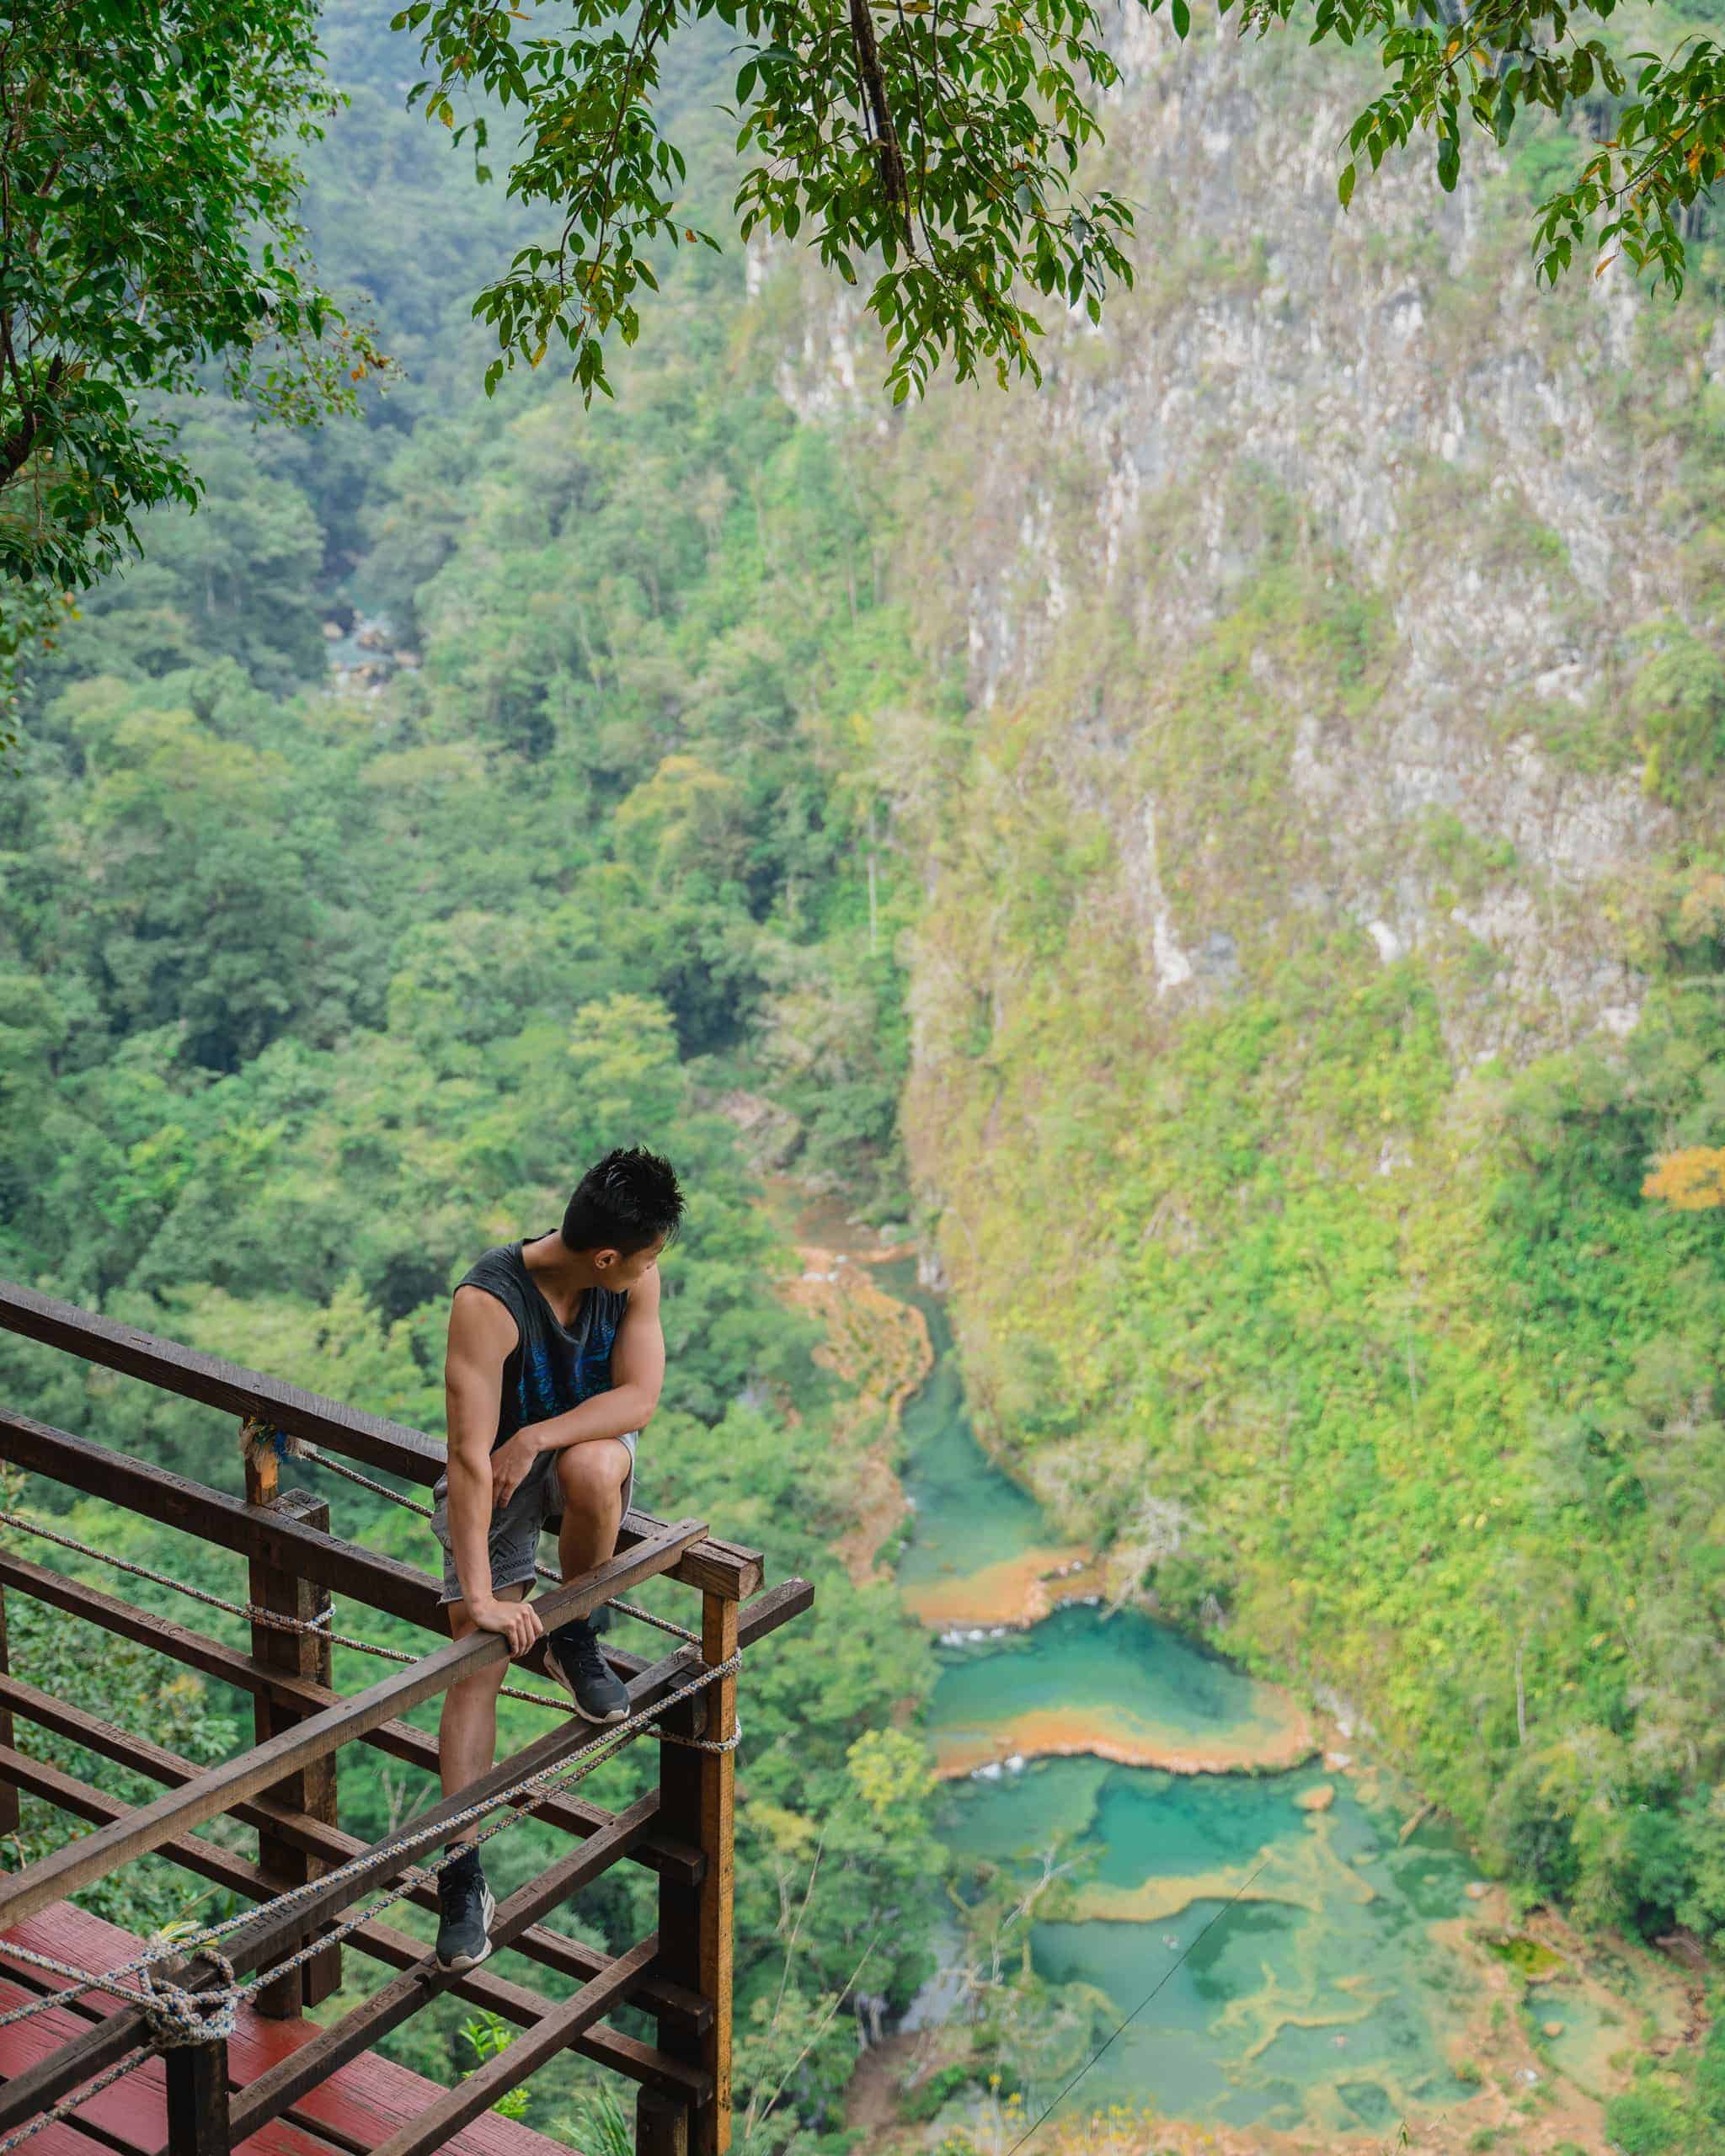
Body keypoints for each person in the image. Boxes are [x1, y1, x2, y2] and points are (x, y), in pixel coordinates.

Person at [430, 1145, 683, 1971]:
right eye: (646, 1255)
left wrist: (539, 1432)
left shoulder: (629, 1277)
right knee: (475, 1661)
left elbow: (637, 1399)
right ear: (605, 1255)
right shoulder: (489, 1301)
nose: (654, 1267)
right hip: (492, 1473)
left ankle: (576, 1631)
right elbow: (470, 1461)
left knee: (598, 1463)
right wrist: (481, 1597)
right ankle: (460, 1874)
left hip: (562, 1448)